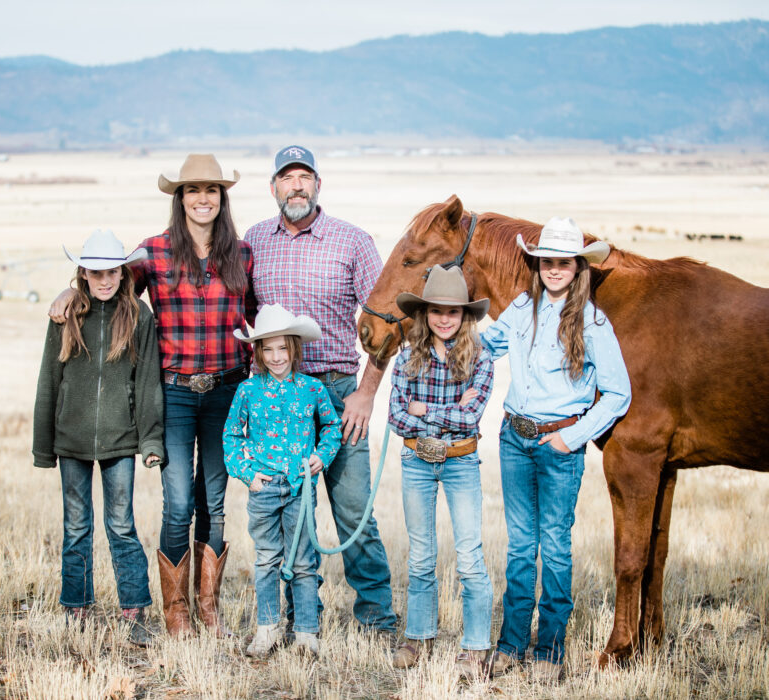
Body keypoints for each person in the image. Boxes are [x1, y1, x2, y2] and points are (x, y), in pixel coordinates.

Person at [49, 154, 254, 637]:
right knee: (179, 501)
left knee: (215, 504)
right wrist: (68, 290)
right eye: (192, 190)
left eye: (211, 190)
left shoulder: (241, 255)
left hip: (227, 391)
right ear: (179, 198)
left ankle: (209, 606)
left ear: (221, 199)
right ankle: (176, 610)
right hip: (176, 394)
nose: (202, 199)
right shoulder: (154, 253)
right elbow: (109, 288)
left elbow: (256, 321)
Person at [243, 145, 396, 633]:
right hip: (277, 397)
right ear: (273, 188)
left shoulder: (352, 241)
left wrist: (367, 392)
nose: (296, 186)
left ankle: (376, 617)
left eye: (304, 176)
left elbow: (386, 321)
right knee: (289, 510)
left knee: (353, 512)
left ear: (318, 185)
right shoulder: (254, 241)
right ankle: (300, 618)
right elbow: (244, 315)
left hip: (337, 391)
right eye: (287, 178)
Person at [481, 217, 631, 683]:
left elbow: (618, 393)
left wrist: (573, 436)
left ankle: (549, 648)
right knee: (521, 548)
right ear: (538, 264)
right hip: (514, 439)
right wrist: (437, 333)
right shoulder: (521, 307)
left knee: (556, 548)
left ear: (578, 267)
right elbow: (487, 347)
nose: (554, 270)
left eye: (563, 262)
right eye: (547, 261)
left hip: (558, 445)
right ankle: (510, 644)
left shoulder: (593, 322)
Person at [33, 229, 163, 647]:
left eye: (112, 272)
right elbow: (49, 380)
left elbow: (146, 383)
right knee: (75, 525)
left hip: (120, 442)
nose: (105, 280)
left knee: (121, 524)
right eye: (95, 272)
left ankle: (135, 609)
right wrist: (43, 445)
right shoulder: (65, 316)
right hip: (70, 441)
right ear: (83, 274)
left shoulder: (139, 317)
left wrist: (151, 441)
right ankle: (76, 606)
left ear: (123, 273)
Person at [386, 265, 495, 679]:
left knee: (469, 556)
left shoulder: (481, 359)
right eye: (436, 310)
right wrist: (444, 414)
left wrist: (424, 409)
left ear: (465, 315)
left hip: (461, 461)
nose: (444, 318)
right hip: (416, 461)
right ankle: (418, 636)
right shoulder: (407, 357)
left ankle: (475, 646)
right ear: (424, 313)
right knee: (421, 556)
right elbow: (397, 417)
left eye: (453, 311)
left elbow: (470, 419)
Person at [222, 304, 341, 658]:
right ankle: (268, 627)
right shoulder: (247, 390)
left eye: (282, 348)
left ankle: (305, 632)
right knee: (267, 560)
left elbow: (332, 426)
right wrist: (246, 471)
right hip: (264, 488)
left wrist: (323, 454)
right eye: (268, 349)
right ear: (258, 351)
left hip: (301, 488)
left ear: (294, 348)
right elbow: (231, 435)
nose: (276, 357)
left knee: (303, 560)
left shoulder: (312, 389)